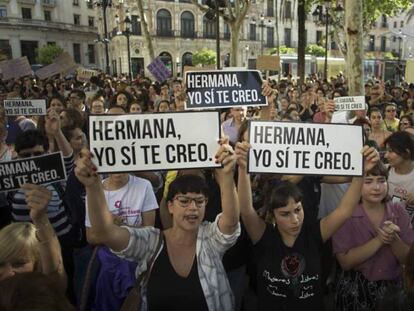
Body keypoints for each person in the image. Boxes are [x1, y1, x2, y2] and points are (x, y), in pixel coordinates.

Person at [75, 140, 240, 311]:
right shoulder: (151, 242)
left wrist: (227, 177)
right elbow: (104, 233)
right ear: (170, 206)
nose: (192, 208)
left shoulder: (210, 240)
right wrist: (93, 186)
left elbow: (230, 222)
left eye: (199, 202)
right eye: (183, 201)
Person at [235, 141, 379, 311]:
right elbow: (246, 210)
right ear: (273, 215)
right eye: (285, 214)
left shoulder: (315, 233)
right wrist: (243, 168)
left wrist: (361, 171)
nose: (295, 219)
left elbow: (344, 210)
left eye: (298, 209)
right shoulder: (264, 236)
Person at [333, 161, 414, 311]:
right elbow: (345, 262)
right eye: (368, 181)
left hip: (393, 289)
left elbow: (408, 259)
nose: (376, 187)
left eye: (381, 181)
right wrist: (380, 240)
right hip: (355, 290)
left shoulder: (398, 211)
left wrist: (394, 239)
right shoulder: (345, 215)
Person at [0, 184, 66, 290]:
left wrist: (40, 218)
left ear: (38, 265)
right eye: (1, 265)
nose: (10, 273)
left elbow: (54, 274)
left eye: (19, 264)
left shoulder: (42, 297)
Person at [384, 131, 414, 222]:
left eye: (390, 151)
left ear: (406, 153)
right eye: (386, 151)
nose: (386, 155)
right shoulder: (384, 171)